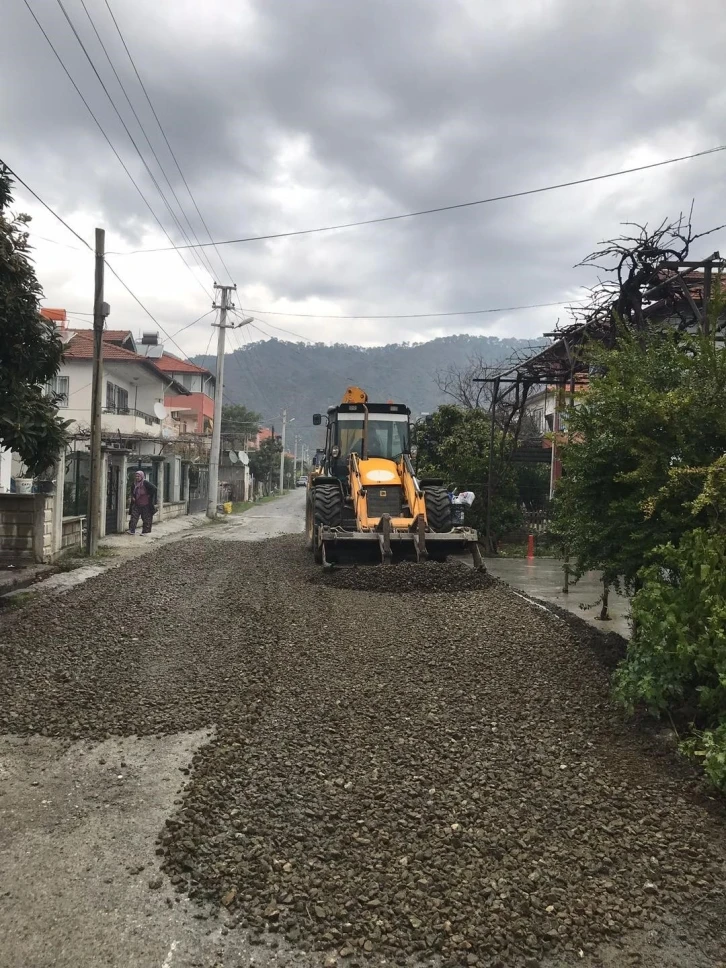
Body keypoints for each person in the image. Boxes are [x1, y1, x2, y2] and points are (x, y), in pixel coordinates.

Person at [128, 470, 157, 535]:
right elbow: (133, 492)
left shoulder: (145, 483)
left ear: (142, 476)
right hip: (137, 503)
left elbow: (154, 488)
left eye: (138, 476)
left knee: (146, 518)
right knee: (134, 517)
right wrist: (133, 497)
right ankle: (132, 530)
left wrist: (149, 495)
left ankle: (145, 531)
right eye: (136, 476)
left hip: (146, 504)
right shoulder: (134, 484)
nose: (137, 478)